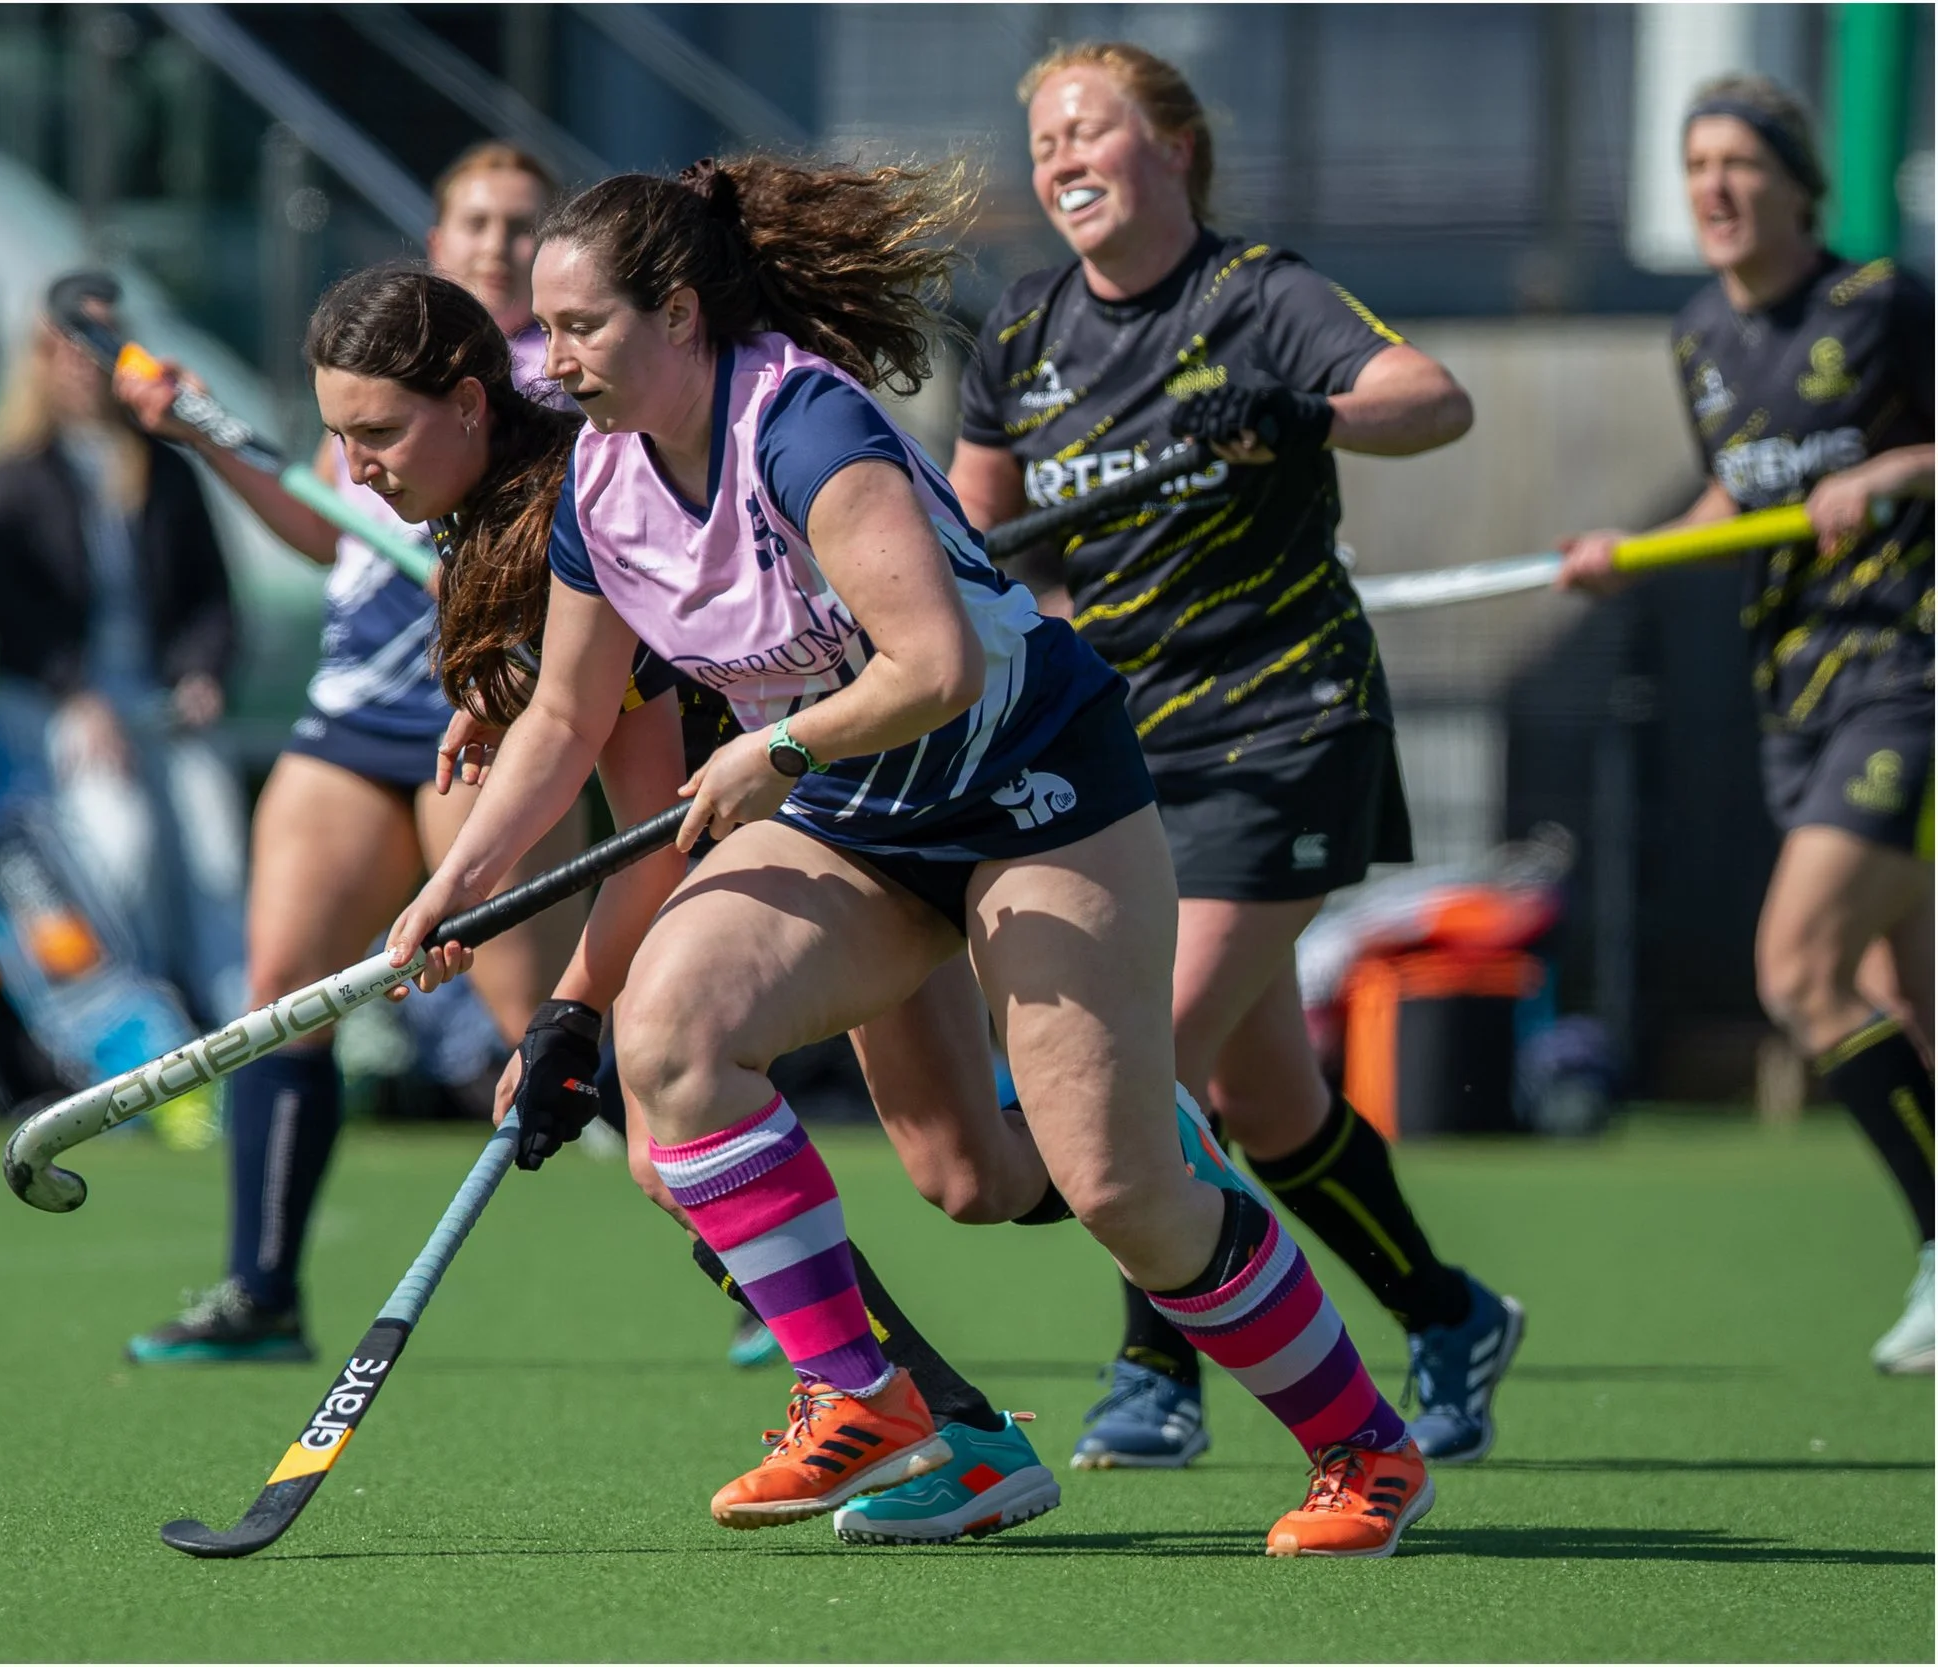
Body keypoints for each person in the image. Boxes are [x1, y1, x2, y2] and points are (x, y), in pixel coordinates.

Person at [388, 155, 1433, 1556]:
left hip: (1033, 791)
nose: (552, 358)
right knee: (721, 1060)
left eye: (581, 327)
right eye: (546, 328)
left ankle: (1364, 1446)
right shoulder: (601, 480)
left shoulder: (806, 426)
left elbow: (933, 663)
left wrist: (775, 752)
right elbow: (571, 716)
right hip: (859, 818)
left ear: (681, 315)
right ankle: (864, 1399)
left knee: (1120, 1190)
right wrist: (457, 884)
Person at [358, 261, 1067, 1546]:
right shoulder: (511, 521)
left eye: (376, 432)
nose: (354, 465)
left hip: (864, 807)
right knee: (965, 1172)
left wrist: (572, 1012)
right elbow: (580, 723)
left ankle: (1098, 1204)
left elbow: (647, 832)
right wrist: (466, 859)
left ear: (468, 406)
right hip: (836, 814)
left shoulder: (585, 500)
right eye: (337, 433)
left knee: (684, 1138)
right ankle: (961, 1432)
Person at [945, 41, 1519, 1471]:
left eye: (1092, 128)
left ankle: (1160, 1375)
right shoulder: (1019, 330)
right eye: (1044, 141)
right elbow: (980, 553)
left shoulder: (1261, 295)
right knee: (1262, 1101)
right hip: (1129, 755)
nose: (1062, 156)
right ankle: (1448, 1314)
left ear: (1175, 150)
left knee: (1141, 1055)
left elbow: (1434, 397)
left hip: (1286, 725)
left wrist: (1308, 413)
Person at [109, 145, 588, 1366]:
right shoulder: (381, 376)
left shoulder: (555, 391)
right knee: (281, 986)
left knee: (538, 1016)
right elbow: (334, 536)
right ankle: (261, 1289)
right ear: (436, 231)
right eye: (471, 218)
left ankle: (757, 1278)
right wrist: (208, 441)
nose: (492, 240)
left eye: (518, 223)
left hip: (482, 711)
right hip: (353, 716)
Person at [1555, 74, 1934, 1373]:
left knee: (1802, 970)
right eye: (1695, 164)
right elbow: (1738, 487)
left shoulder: (1884, 304)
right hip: (1798, 694)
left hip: (1909, 670)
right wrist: (1638, 552)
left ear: (1798, 186)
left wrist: (1896, 470)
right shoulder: (1702, 333)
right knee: (1902, 989)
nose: (1713, 188)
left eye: (1739, 163)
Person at [0, 272, 249, 1125]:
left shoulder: (161, 472)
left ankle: (239, 1032)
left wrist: (202, 672)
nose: (84, 366)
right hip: (58, 702)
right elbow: (9, 616)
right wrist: (76, 694)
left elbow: (210, 600)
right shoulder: (10, 479)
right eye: (68, 348)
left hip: (159, 696)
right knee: (118, 839)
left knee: (213, 842)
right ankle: (145, 1040)